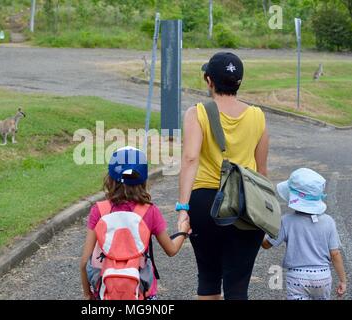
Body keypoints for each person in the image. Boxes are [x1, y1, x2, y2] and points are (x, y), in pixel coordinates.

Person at [176, 52, 269, 300]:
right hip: (246, 205)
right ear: (239, 82)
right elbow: (262, 171)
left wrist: (183, 207)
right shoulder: (258, 116)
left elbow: (190, 159)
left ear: (209, 80)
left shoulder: (197, 113)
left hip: (206, 202)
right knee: (238, 286)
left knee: (208, 278)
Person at [80, 146, 191, 300]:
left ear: (110, 178)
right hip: (141, 290)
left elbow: (85, 261)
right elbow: (171, 250)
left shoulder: (99, 210)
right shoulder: (149, 211)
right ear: (143, 179)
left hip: (106, 290)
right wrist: (183, 231)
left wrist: (88, 294)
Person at [262, 168, 347, 300]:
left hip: (296, 278)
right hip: (322, 277)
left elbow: (267, 244)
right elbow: (335, 254)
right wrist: (342, 280)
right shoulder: (329, 221)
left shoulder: (286, 220)